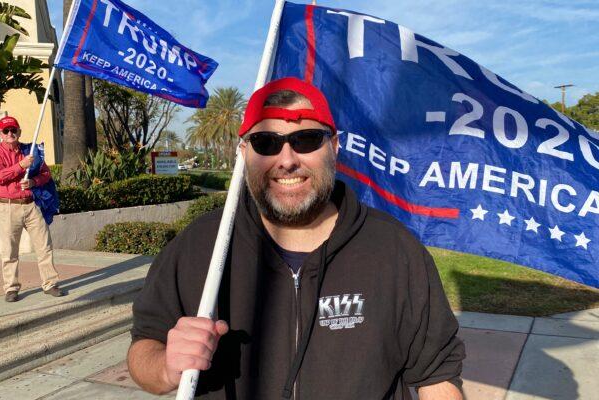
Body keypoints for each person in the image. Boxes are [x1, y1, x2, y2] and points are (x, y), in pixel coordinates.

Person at [128, 77, 465, 399]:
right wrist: (167, 368)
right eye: (266, 143)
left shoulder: (394, 250)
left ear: (333, 146)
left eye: (306, 140)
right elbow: (144, 348)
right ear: (244, 152)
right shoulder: (202, 246)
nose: (287, 160)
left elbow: (436, 376)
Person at [0, 116, 64, 302]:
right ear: (0, 134)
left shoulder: (30, 150)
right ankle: (11, 288)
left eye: (13, 130)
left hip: (31, 205)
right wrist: (21, 166)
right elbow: (0, 176)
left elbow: (46, 173)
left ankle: (50, 284)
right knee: (9, 251)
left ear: (19, 132)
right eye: (6, 131)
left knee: (44, 246)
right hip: (8, 207)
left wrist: (34, 181)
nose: (10, 133)